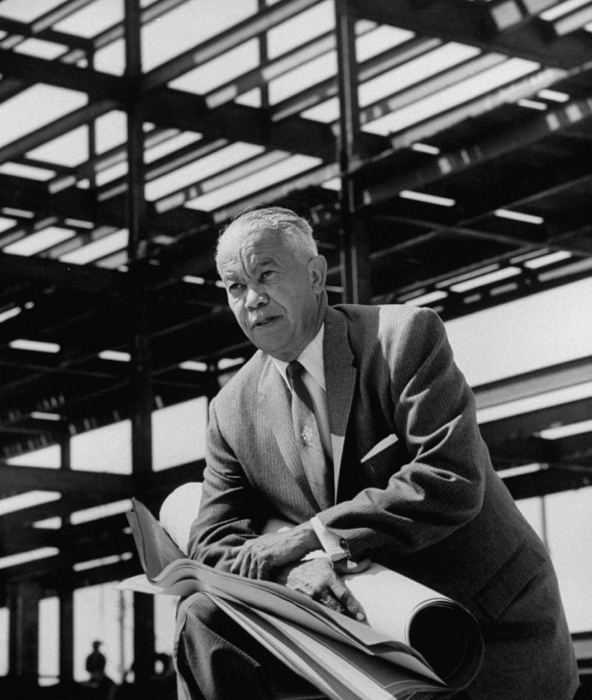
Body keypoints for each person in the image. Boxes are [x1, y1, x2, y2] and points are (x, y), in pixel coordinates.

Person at [173, 206, 579, 700]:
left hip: (483, 623)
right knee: (203, 615)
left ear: (316, 275)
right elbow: (212, 542)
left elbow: (449, 479)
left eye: (267, 275)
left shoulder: (403, 338)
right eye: (235, 286)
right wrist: (291, 569)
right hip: (369, 636)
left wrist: (310, 538)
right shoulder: (231, 410)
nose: (252, 299)